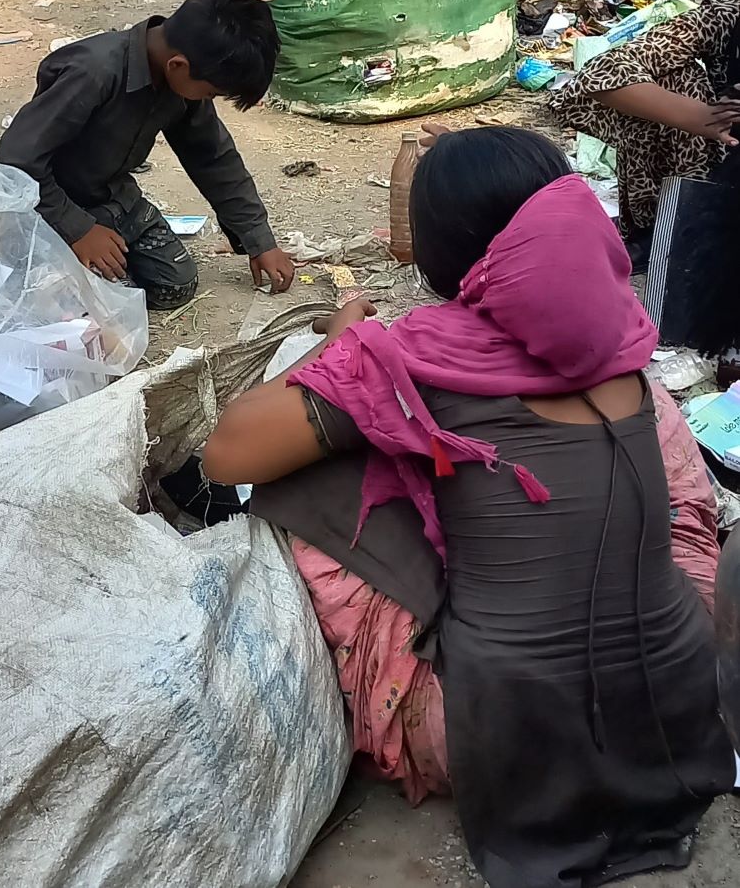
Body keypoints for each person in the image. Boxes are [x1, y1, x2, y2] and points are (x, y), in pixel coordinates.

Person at [203, 128, 732, 888]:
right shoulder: (623, 341)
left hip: (511, 740)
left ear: (439, 248)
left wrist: (343, 344)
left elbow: (228, 453)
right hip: (677, 719)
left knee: (306, 481)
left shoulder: (413, 353)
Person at [0, 0, 295, 308]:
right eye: (211, 93)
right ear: (178, 65)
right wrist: (78, 230)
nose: (209, 100)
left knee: (176, 283)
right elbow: (18, 158)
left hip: (115, 201)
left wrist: (259, 240)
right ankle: (61, 262)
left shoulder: (182, 78)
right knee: (98, 304)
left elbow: (213, 157)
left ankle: (95, 262)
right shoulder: (93, 72)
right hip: (51, 205)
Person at [550, 0, 740, 258]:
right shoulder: (725, 16)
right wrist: (704, 118)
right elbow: (603, 70)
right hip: (726, 147)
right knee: (670, 77)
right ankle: (660, 226)